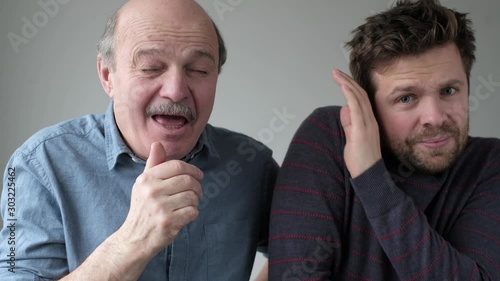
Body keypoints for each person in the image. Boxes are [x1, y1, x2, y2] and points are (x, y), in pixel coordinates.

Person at [0, 0, 278, 280]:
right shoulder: (36, 165)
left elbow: (302, 255)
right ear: (107, 76)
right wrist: (133, 241)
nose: (175, 90)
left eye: (198, 70)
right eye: (150, 67)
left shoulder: (253, 165)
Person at [268, 0, 500, 280]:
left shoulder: (490, 163)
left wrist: (370, 178)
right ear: (368, 106)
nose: (435, 117)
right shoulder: (328, 137)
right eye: (406, 98)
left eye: (449, 90)